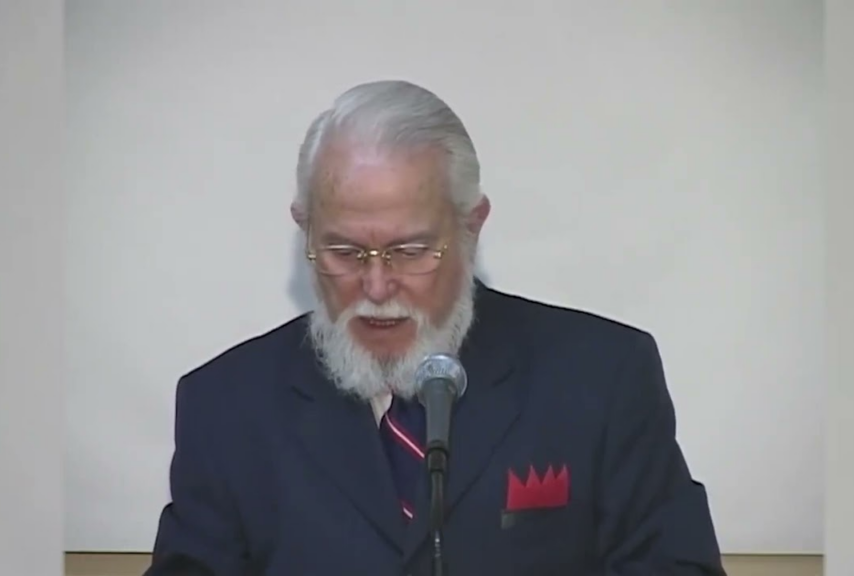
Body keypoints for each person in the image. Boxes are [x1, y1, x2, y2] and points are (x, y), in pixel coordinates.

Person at [145, 80, 725, 575]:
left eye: (411, 250)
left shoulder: (602, 376)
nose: (376, 287)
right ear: (305, 229)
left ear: (472, 226)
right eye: (344, 252)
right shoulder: (225, 406)